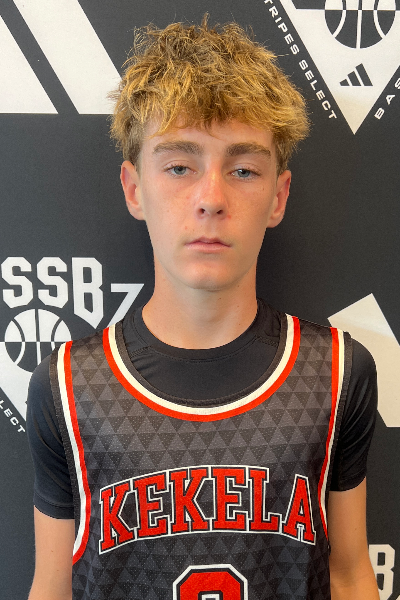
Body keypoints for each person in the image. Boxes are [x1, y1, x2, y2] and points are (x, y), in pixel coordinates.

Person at [27, 16, 379, 600]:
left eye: (243, 170)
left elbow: (348, 575)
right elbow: (53, 587)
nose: (211, 198)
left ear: (278, 196)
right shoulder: (66, 388)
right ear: (134, 188)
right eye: (179, 166)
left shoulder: (337, 373)